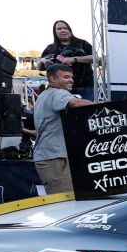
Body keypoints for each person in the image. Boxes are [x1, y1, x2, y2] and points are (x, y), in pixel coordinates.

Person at [32, 63, 95, 194]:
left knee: (65, 201)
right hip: (54, 158)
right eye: (66, 77)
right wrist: (102, 105)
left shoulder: (44, 95)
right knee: (64, 202)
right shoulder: (58, 93)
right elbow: (75, 103)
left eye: (71, 77)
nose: (71, 80)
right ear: (52, 79)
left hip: (51, 156)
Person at [37, 21, 95, 100]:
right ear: (55, 32)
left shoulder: (83, 44)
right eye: (59, 28)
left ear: (70, 30)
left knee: (86, 111)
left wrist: (74, 59)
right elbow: (40, 68)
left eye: (65, 28)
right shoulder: (50, 48)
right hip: (59, 89)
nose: (63, 30)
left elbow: (96, 59)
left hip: (85, 87)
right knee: (62, 112)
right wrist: (42, 61)